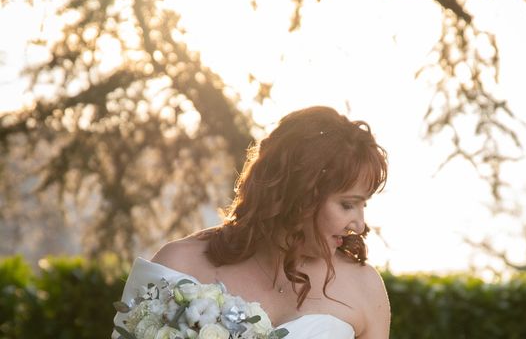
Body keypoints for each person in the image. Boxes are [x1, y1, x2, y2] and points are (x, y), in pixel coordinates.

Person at [113, 106, 391, 338]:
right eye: (347, 205)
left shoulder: (364, 288)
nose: (358, 224)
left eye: (362, 204)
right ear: (300, 194)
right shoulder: (178, 265)